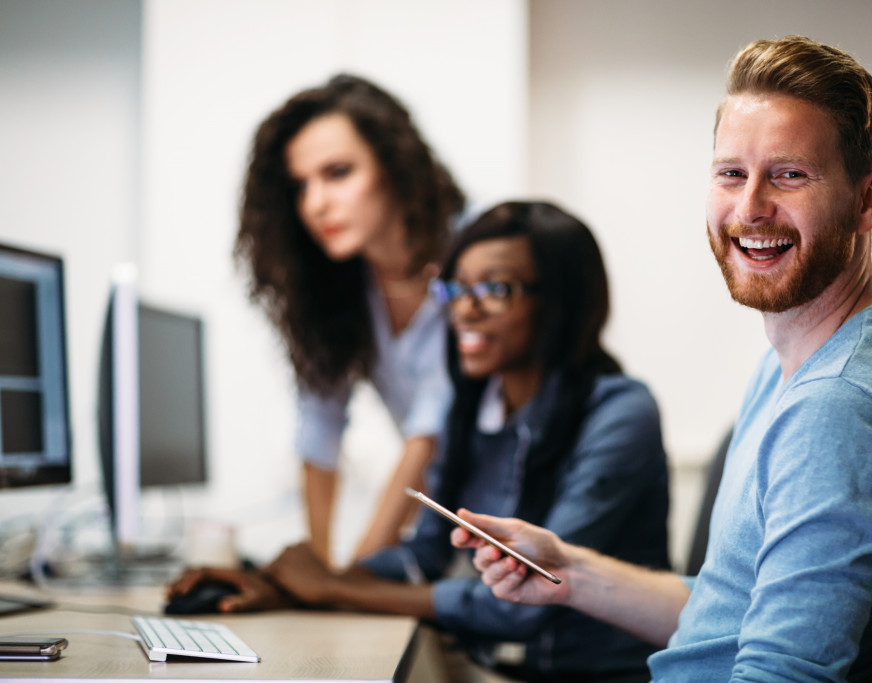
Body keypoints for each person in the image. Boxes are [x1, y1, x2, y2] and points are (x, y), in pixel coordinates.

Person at [453, 36, 872, 682]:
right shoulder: (800, 366)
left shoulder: (840, 407)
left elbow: (781, 674)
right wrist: (567, 569)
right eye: (731, 173)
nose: (750, 207)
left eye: (789, 174)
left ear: (869, 199)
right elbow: (731, 615)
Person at [174, 201, 672, 682]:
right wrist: (289, 586)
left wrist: (331, 588)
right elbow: (423, 558)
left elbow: (526, 602)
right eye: (455, 289)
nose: (463, 311)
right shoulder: (472, 406)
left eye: (494, 288)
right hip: (496, 668)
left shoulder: (620, 414)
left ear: (563, 300)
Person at [234, 74, 465, 562]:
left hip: (542, 522)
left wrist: (348, 580)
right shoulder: (343, 286)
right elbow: (319, 428)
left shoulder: (476, 253)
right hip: (456, 527)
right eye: (301, 185)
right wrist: (318, 564)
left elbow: (429, 436)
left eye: (337, 173)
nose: (316, 204)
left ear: (395, 166)